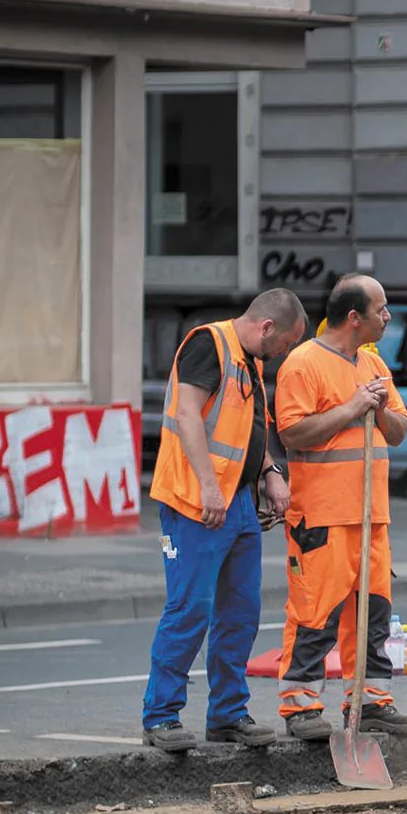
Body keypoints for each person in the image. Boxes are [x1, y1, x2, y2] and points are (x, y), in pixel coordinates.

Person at [142, 290, 307, 752]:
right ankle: (160, 717)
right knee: (190, 607)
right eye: (285, 345)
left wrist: (271, 473)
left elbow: (252, 429)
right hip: (196, 501)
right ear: (267, 327)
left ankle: (228, 714)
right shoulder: (208, 344)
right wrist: (209, 486)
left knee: (240, 612)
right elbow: (187, 414)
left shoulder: (248, 361)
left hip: (236, 502)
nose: (284, 356)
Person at [273, 275, 407, 741]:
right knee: (315, 613)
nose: (388, 317)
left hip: (371, 516)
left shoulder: (374, 364)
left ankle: (371, 701)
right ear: (354, 317)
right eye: (381, 309)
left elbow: (398, 431)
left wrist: (377, 408)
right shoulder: (303, 364)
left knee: (373, 614)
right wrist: (353, 405)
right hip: (322, 516)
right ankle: (300, 708)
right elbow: (292, 433)